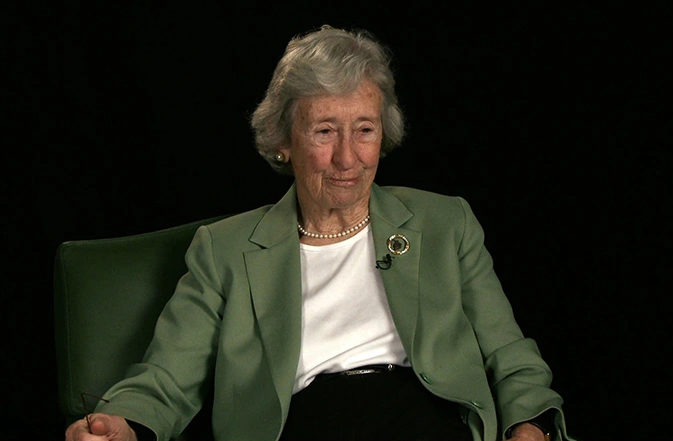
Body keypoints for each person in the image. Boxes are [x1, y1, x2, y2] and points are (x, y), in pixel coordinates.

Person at [65, 24, 574, 441]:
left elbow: (510, 356)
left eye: (365, 130)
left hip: (430, 422)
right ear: (285, 140)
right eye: (325, 131)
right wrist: (124, 425)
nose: (348, 158)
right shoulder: (225, 251)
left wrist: (527, 424)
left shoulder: (446, 223)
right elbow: (167, 377)